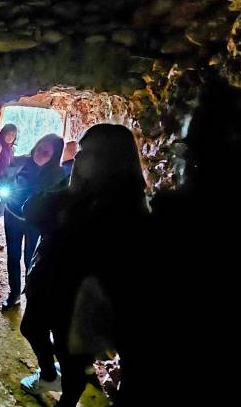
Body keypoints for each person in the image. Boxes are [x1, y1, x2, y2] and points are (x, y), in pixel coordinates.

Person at [18, 124, 148, 406]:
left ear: (111, 160)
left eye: (87, 154)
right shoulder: (76, 193)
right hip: (48, 285)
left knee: (72, 358)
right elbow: (31, 209)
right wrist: (73, 188)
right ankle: (50, 373)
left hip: (77, 301)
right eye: (80, 152)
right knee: (30, 328)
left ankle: (67, 399)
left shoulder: (127, 211)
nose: (77, 159)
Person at [0, 134, 66, 311]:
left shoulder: (58, 176)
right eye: (39, 148)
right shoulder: (19, 161)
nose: (40, 153)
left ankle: (31, 294)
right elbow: (3, 178)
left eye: (46, 152)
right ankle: (14, 294)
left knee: (32, 258)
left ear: (54, 156)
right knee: (13, 256)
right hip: (12, 216)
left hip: (35, 223)